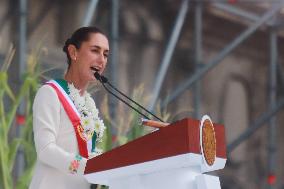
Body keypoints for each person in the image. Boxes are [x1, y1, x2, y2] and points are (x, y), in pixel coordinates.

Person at [29, 26, 109, 189]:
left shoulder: (88, 104)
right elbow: (45, 150)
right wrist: (87, 167)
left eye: (106, 54)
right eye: (95, 50)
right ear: (74, 53)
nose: (102, 60)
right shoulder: (50, 93)